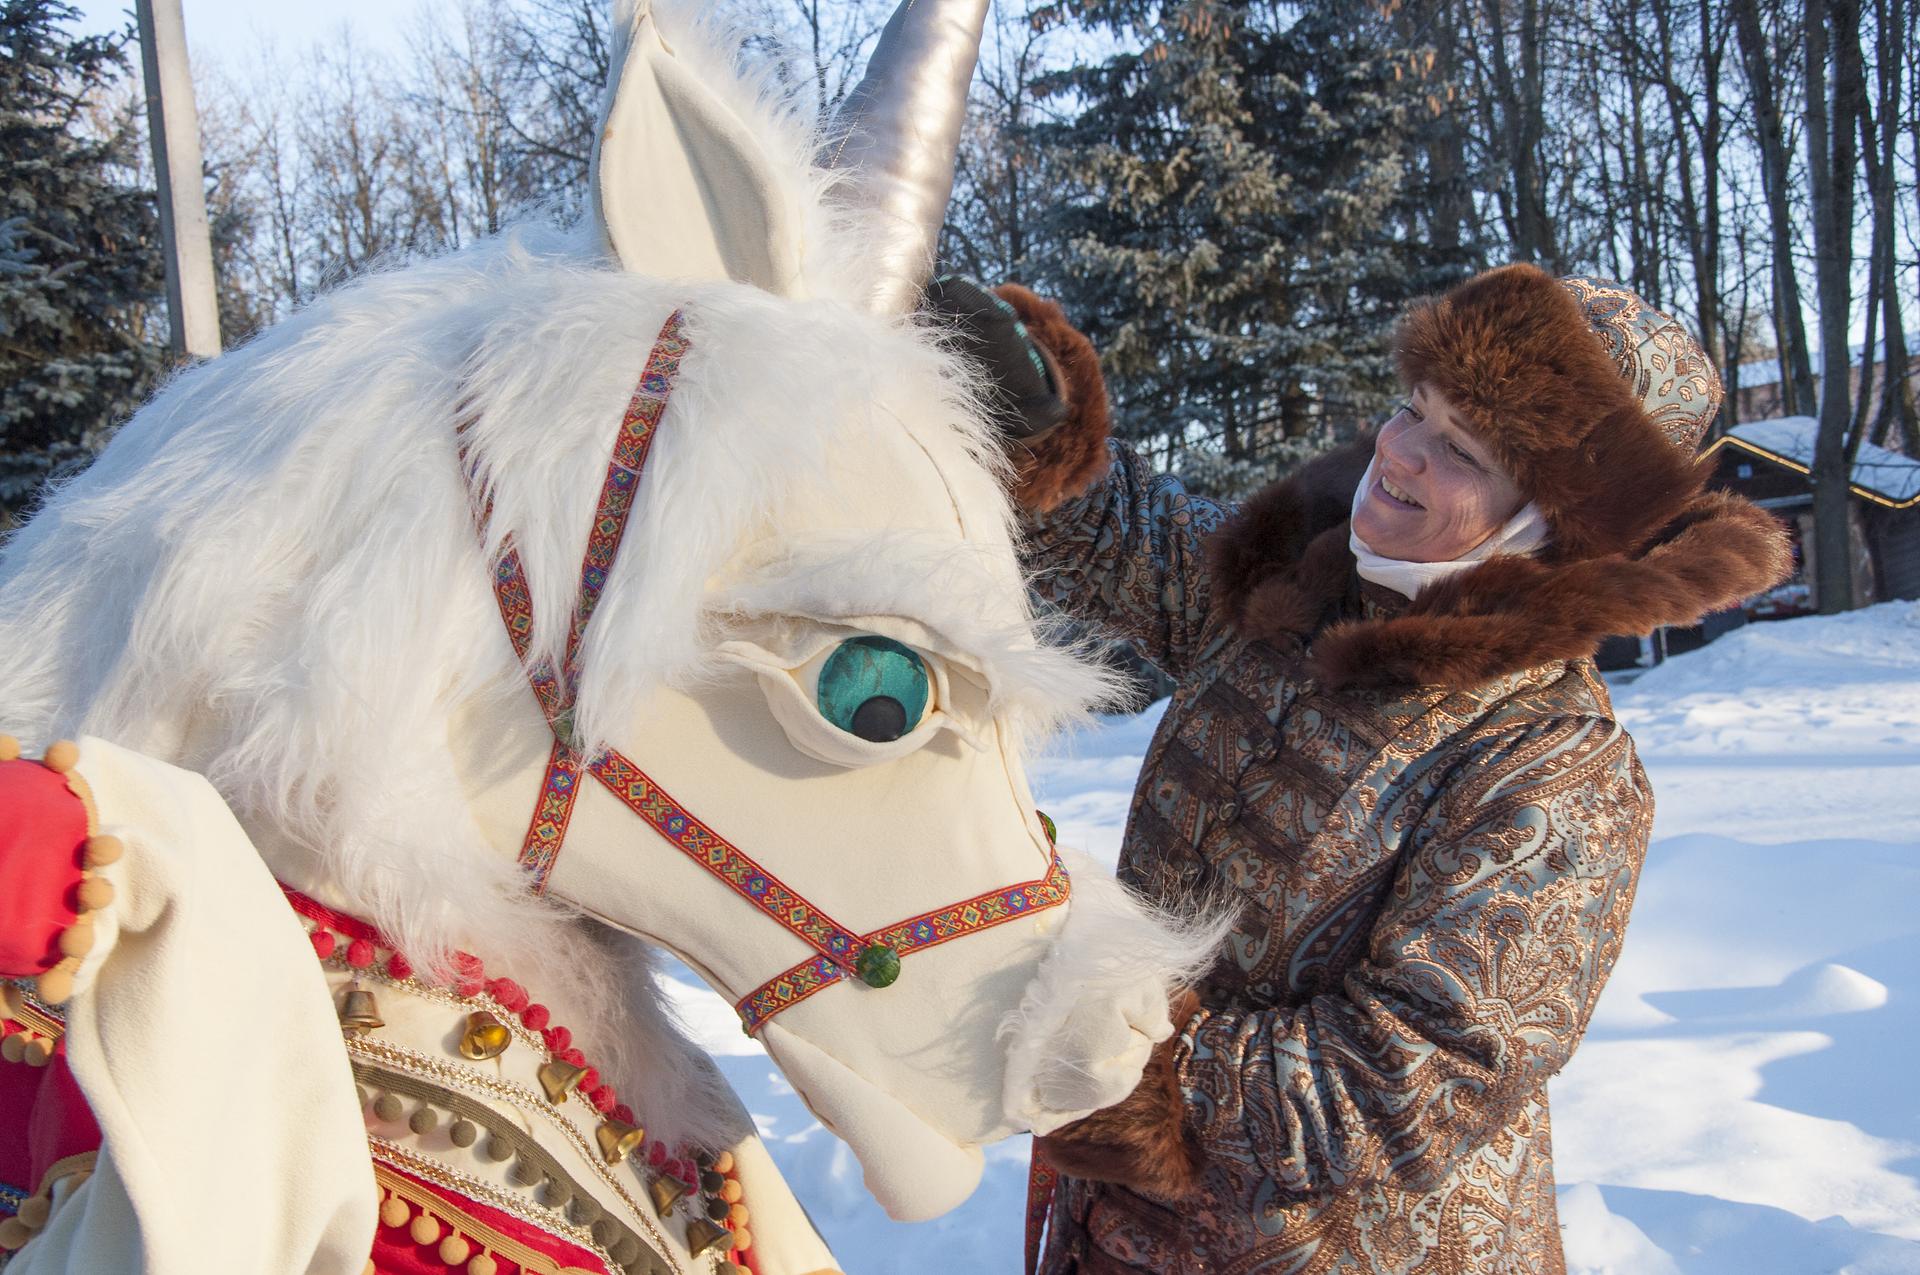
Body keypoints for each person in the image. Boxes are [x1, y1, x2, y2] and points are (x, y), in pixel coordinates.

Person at [928, 265, 1793, 1274]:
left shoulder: (1550, 760)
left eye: (1460, 450)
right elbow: (1115, 533)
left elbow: (1412, 1078)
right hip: (1119, 1236)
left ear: (1554, 523)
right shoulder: (1296, 591)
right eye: (1412, 409)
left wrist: (1132, 1070)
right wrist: (1028, 413)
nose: (1399, 452)